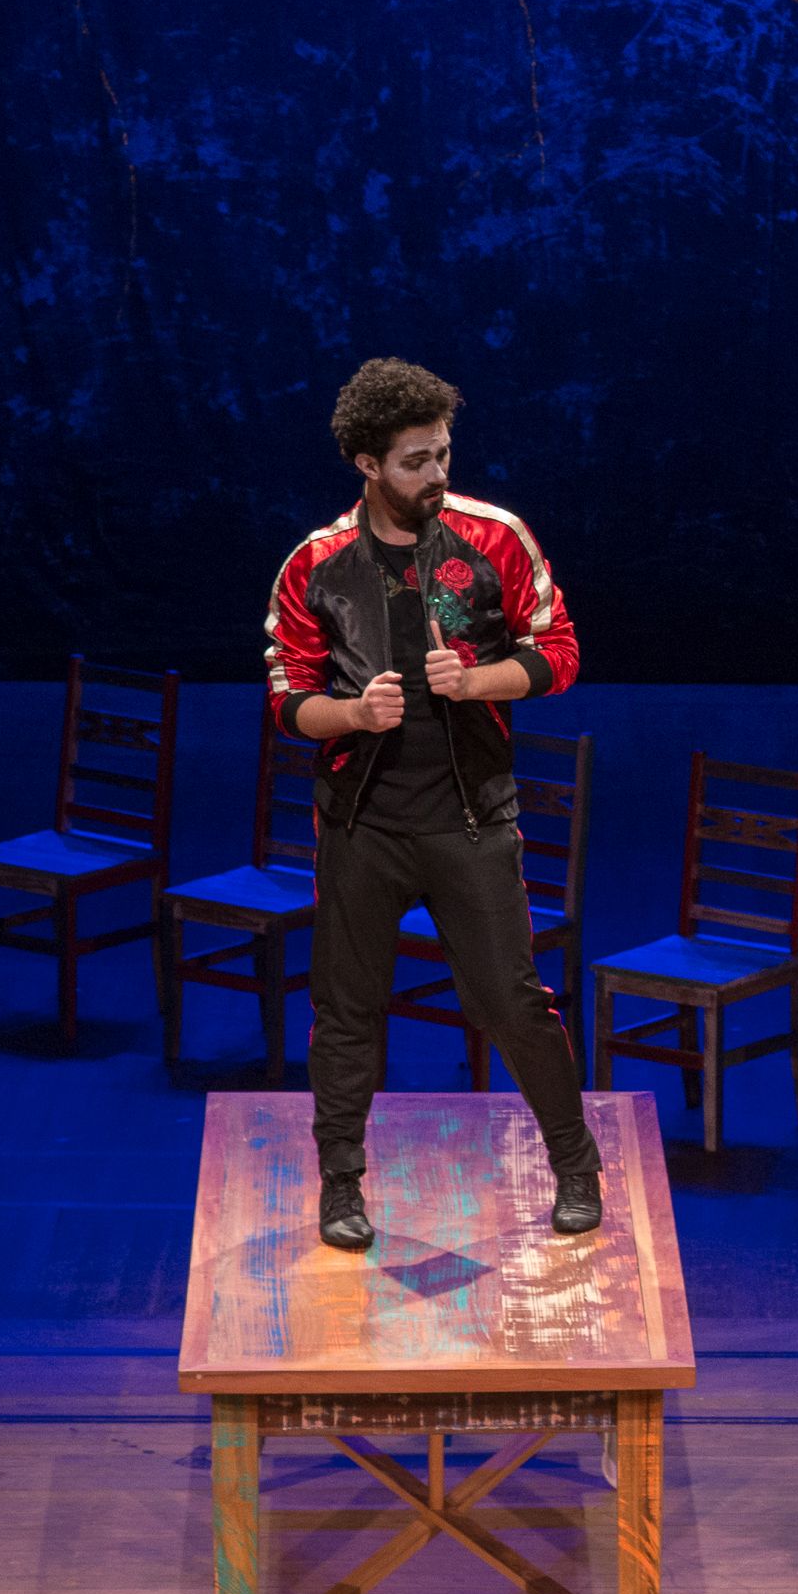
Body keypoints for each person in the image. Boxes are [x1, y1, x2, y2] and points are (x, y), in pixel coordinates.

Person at [261, 357, 604, 1249]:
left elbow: (560, 651)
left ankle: (576, 1165)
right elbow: (288, 697)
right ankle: (341, 1186)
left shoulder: (494, 539)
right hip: (363, 823)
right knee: (346, 1010)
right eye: (416, 461)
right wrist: (352, 713)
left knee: (513, 1003)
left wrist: (478, 681)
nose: (437, 474)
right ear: (368, 464)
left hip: (470, 817)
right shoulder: (317, 564)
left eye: (443, 453)